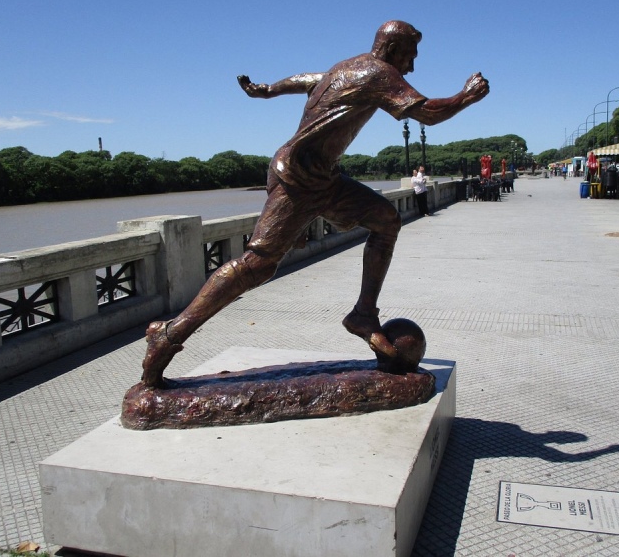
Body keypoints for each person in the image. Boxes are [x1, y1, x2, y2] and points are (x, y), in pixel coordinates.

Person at [141, 20, 489, 387]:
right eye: (409, 57)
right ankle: (168, 335)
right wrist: (465, 96)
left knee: (386, 220)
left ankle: (363, 315)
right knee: (256, 266)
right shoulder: (379, 73)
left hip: (324, 179)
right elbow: (426, 112)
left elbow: (305, 80)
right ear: (391, 50)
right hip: (298, 180)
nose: (411, 67)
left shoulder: (347, 68)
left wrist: (267, 90)